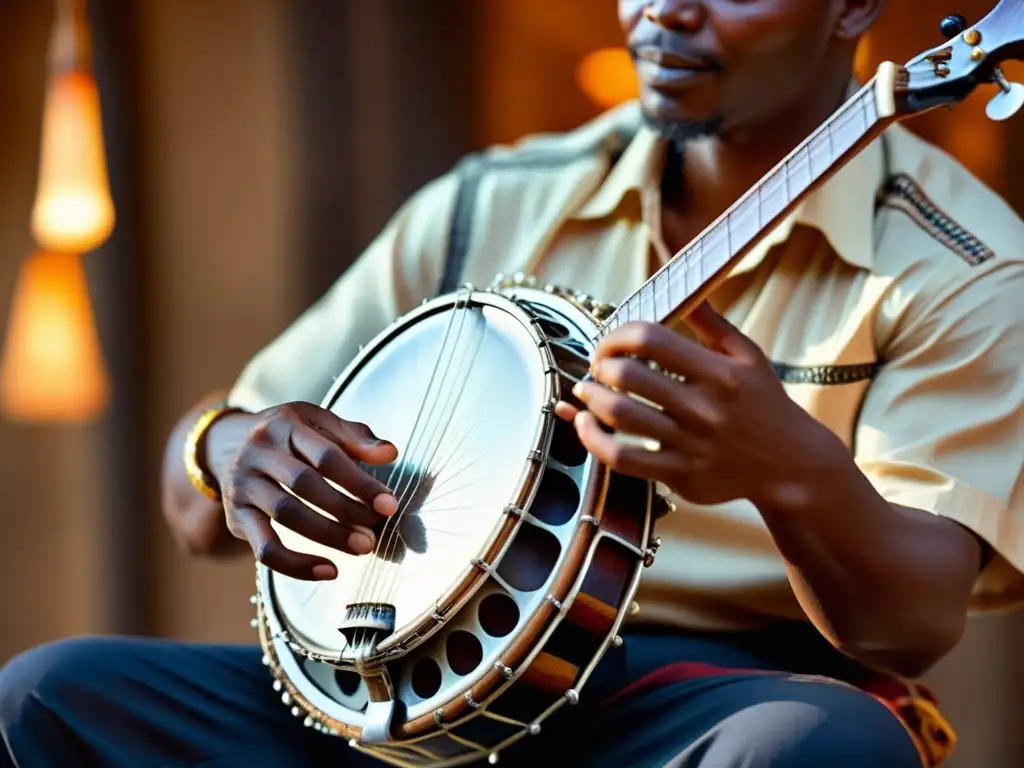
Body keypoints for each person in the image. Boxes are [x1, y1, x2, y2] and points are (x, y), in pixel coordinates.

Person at [3, 0, 1022, 766]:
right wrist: (232, 451)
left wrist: (786, 466)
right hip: (413, 684)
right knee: (53, 695)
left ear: (851, 6)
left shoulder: (962, 267)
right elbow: (191, 499)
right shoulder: (486, 203)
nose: (664, 9)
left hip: (693, 706)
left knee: (822, 744)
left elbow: (910, 622)